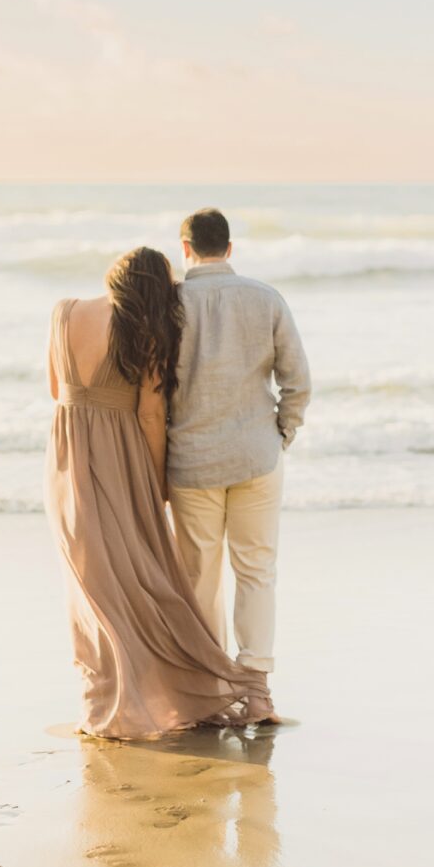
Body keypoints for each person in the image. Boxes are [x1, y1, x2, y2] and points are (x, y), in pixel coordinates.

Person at [42, 246, 261, 740]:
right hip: (119, 455)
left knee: (89, 581)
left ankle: (103, 698)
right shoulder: (147, 333)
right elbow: (148, 415)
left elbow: (55, 387)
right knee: (136, 576)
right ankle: (152, 692)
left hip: (65, 454)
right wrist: (157, 482)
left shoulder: (63, 312)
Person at [167, 208, 312, 724]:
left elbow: (153, 392)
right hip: (256, 456)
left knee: (199, 575)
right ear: (229, 249)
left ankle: (209, 693)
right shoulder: (265, 298)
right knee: (256, 572)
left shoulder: (170, 306)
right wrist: (281, 434)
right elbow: (298, 381)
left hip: (190, 461)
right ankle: (256, 694)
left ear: (185, 249)